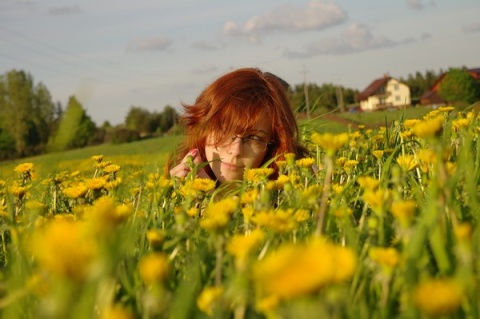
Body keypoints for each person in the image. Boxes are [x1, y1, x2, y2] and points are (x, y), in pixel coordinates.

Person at [167, 67, 308, 184]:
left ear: (274, 146)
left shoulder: (298, 189)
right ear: (204, 128)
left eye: (254, 137)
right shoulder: (172, 194)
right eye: (225, 130)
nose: (235, 150)